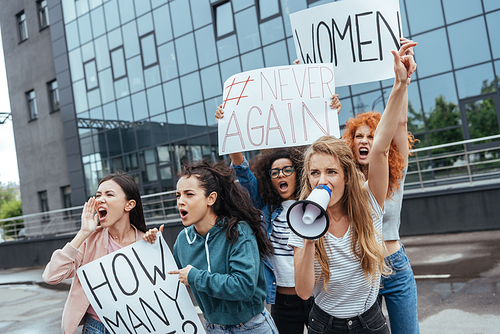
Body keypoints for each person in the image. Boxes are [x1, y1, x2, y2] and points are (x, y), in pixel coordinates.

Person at [289, 41, 417, 334]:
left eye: (331, 171)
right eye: (315, 173)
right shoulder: (300, 221)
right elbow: (305, 292)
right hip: (325, 325)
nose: (322, 180)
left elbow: (381, 149)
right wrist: (307, 239)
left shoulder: (370, 203)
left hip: (370, 322)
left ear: (347, 177)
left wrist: (400, 85)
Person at [213, 96, 341, 334]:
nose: (281, 175)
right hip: (282, 302)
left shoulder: (316, 202)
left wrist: (329, 112)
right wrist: (227, 127)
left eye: (286, 169)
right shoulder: (265, 209)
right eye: (275, 172)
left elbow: (333, 160)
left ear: (298, 171)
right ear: (268, 179)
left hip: (317, 297)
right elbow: (241, 171)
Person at [143, 160, 278, 334]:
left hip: (252, 327)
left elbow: (243, 286)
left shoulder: (238, 231)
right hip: (213, 329)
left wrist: (195, 276)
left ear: (211, 198)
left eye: (189, 194)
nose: (180, 201)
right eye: (178, 195)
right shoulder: (182, 240)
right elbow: (169, 284)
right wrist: (153, 249)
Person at [341, 38, 419, 334]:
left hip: (395, 266)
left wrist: (404, 78)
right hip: (362, 270)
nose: (364, 141)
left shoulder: (394, 174)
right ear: (351, 142)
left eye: (372, 136)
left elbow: (398, 124)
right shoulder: (345, 180)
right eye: (358, 136)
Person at [42, 172, 147, 334]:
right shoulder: (89, 240)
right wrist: (83, 233)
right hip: (97, 328)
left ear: (129, 205)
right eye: (98, 195)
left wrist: (154, 247)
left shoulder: (146, 241)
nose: (100, 199)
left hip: (137, 326)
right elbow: (52, 276)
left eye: (109, 194)